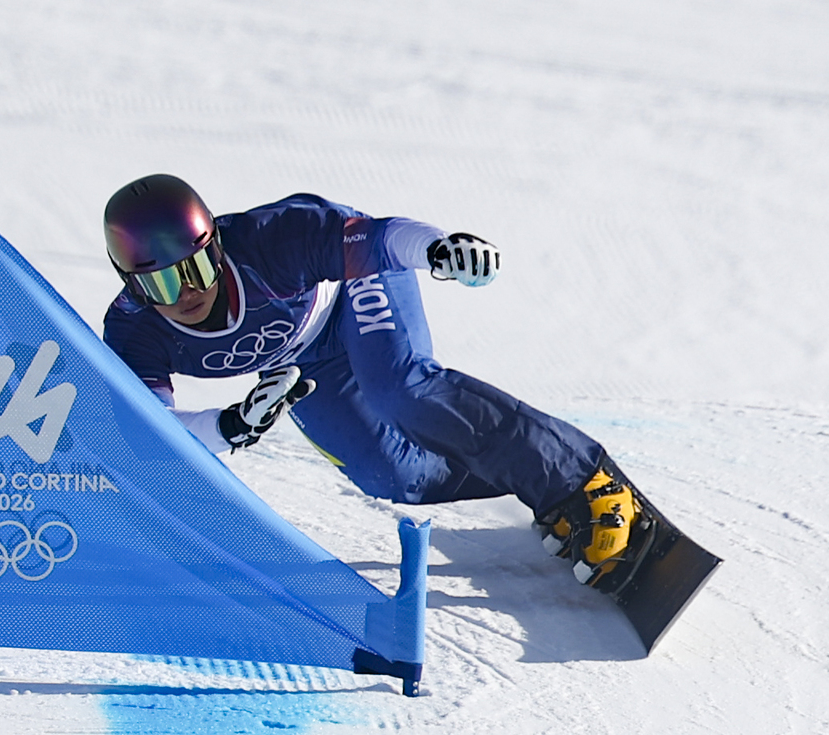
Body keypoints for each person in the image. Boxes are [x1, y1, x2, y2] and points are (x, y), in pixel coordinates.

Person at [101, 173, 641, 591]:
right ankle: (538, 480)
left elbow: (380, 238)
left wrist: (438, 250)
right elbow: (153, 436)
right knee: (393, 476)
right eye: (162, 282)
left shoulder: (271, 242)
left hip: (353, 289)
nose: (186, 293)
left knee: (400, 388)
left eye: (196, 269)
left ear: (218, 245)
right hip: (307, 362)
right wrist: (233, 424)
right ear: (130, 284)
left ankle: (583, 482)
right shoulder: (133, 331)